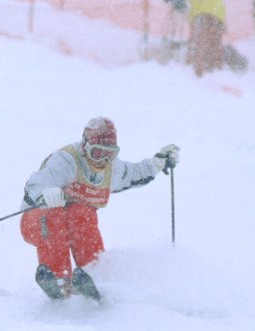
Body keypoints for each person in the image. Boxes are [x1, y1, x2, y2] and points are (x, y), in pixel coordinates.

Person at [20, 117, 180, 301]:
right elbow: (34, 184)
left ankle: (93, 275)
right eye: (97, 152)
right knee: (55, 213)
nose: (103, 160)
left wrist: (158, 163)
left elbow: (134, 173)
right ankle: (58, 279)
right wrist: (44, 193)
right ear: (85, 145)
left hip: (72, 223)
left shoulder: (110, 169)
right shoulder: (66, 161)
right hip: (37, 221)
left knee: (82, 212)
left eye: (110, 154)